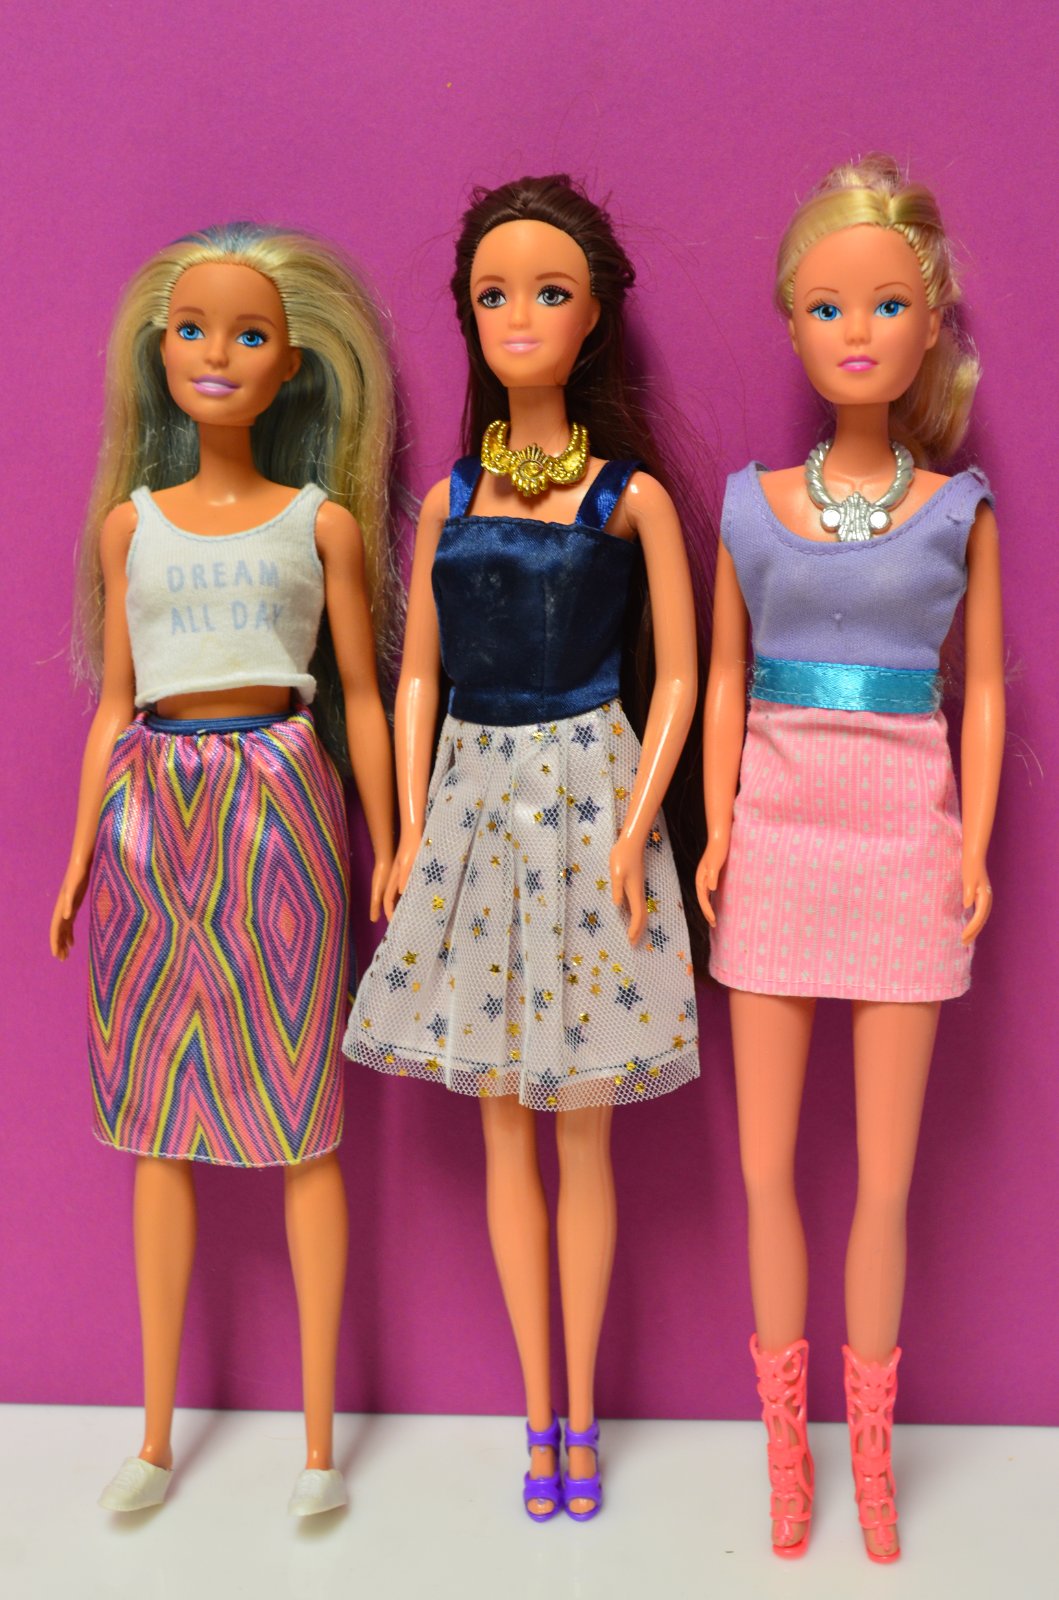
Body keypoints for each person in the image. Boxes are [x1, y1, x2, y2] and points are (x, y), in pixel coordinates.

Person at [346, 175, 704, 1520]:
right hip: (475, 814)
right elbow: (418, 678)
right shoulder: (447, 500)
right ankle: (536, 1411)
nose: (519, 317)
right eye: (494, 295)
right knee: (505, 1131)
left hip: (590, 803)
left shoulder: (633, 500)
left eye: (548, 292)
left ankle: (585, 1412)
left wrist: (639, 820)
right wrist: (405, 831)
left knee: (584, 1140)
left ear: (593, 313)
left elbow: (678, 676)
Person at [50, 223, 400, 1517]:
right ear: (159, 350)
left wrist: (392, 839)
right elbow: (115, 702)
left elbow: (360, 695)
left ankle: (316, 1446)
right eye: (194, 330)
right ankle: (153, 1435)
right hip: (151, 813)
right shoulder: (128, 528)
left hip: (282, 802)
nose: (218, 354)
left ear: (293, 364)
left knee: (304, 1117)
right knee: (156, 1125)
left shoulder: (323, 525)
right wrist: (78, 854)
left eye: (250, 334)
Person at [697, 157, 1004, 1562]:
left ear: (930, 320)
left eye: (885, 303)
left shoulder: (959, 509)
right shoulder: (747, 504)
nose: (857, 330)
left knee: (885, 1178)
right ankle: (785, 1449)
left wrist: (975, 844)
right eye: (826, 306)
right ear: (792, 324)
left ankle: (870, 1453)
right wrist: (716, 827)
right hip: (773, 836)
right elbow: (721, 677)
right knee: (766, 1169)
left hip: (904, 845)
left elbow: (979, 696)